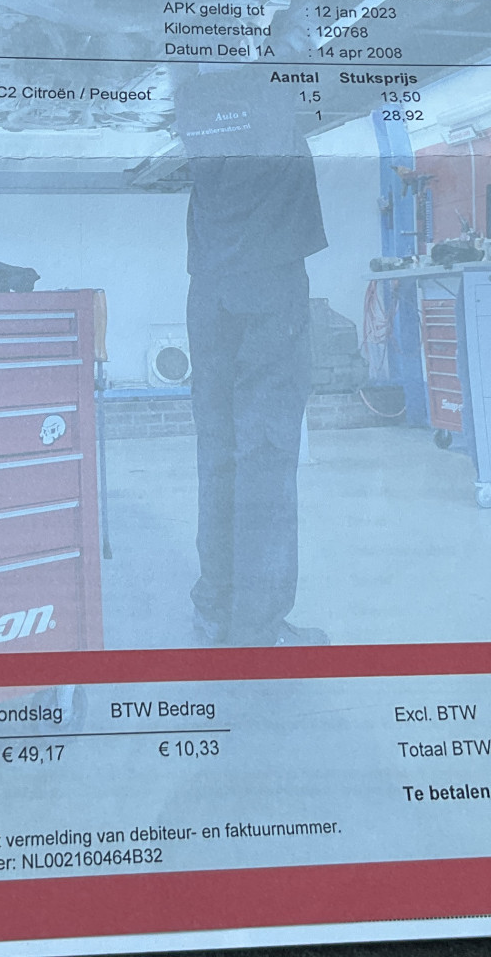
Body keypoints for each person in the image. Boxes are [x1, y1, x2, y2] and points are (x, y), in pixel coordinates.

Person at [174, 65, 331, 648]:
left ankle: (215, 607)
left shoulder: (192, 98)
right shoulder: (270, 91)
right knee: (265, 455)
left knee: (218, 453)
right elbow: (290, 50)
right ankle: (260, 626)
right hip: (268, 286)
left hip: (209, 289)